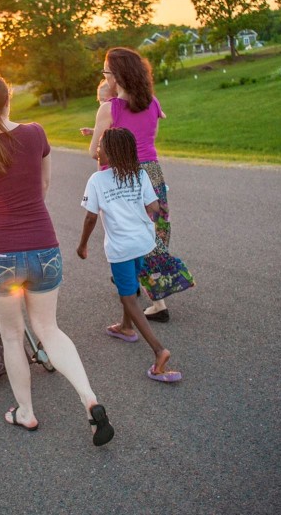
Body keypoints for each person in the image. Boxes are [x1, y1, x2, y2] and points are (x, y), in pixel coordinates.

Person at [0, 73, 114, 446]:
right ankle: (90, 400)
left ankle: (25, 412)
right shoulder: (35, 133)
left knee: (12, 336)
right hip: (43, 247)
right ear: (9, 98)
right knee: (50, 330)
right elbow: (42, 187)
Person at [77, 128, 182, 383]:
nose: (97, 151)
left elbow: (91, 216)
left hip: (121, 249)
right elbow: (154, 207)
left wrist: (82, 245)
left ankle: (159, 351)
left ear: (111, 153)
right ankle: (126, 327)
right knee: (131, 286)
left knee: (128, 298)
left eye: (100, 146)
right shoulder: (139, 174)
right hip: (143, 243)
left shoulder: (97, 180)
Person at [88, 47, 172, 322]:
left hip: (120, 177)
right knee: (154, 232)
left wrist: (100, 135)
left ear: (116, 76)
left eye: (106, 72)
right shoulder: (153, 103)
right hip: (151, 174)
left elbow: (94, 151)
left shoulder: (109, 108)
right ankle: (158, 301)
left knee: (123, 232)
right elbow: (150, 137)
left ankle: (129, 282)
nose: (104, 77)